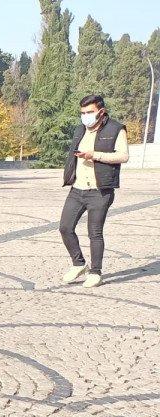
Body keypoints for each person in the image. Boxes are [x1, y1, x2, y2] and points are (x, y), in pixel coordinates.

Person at [59, 94, 128, 288]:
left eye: (89, 112)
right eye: (82, 113)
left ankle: (96, 272)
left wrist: (95, 156)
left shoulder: (116, 129)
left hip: (100, 190)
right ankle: (78, 263)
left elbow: (123, 156)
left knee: (94, 232)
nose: (85, 116)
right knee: (65, 227)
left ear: (101, 111)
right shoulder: (80, 130)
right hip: (77, 188)